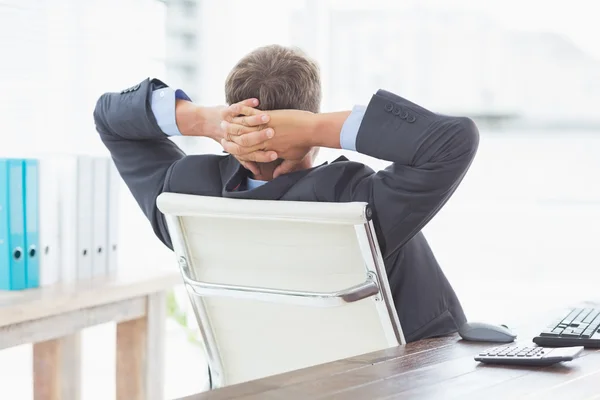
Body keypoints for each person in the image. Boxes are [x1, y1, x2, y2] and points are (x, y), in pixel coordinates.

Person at [94, 44, 479, 342]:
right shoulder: (352, 200)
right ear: (308, 113)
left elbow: (110, 118)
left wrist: (204, 120)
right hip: (395, 381)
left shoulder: (183, 194)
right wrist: (313, 129)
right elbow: (452, 140)